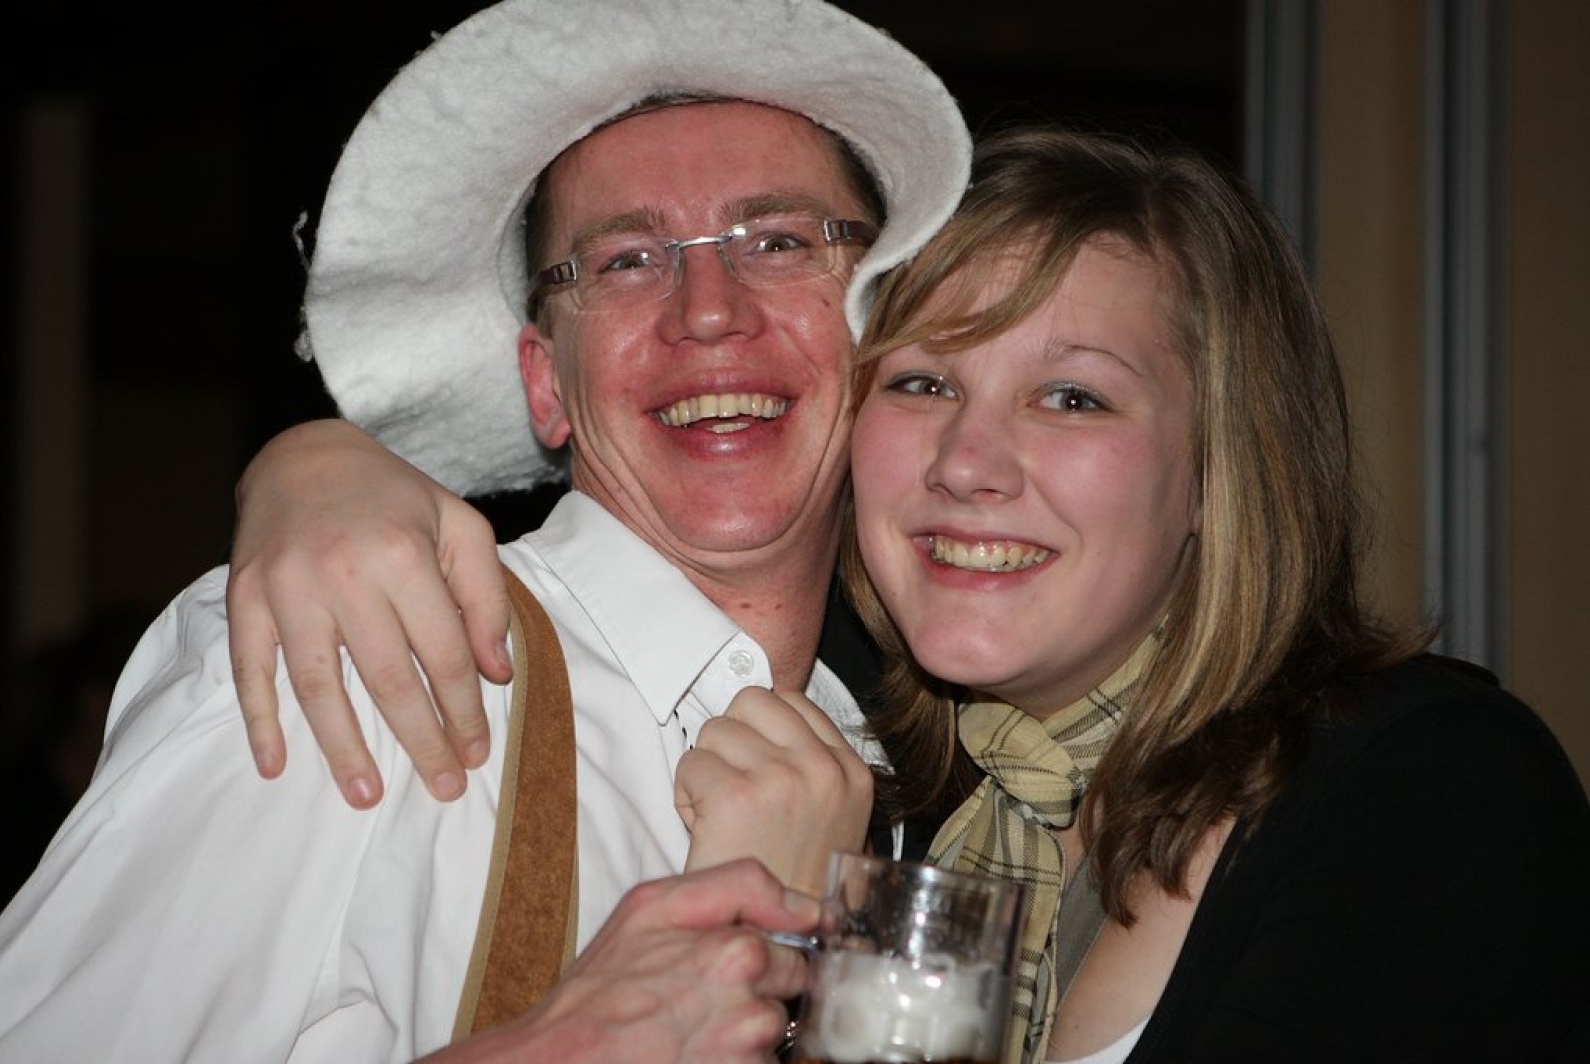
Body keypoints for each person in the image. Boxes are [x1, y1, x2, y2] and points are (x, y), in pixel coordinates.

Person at [233, 127, 1590, 1064]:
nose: (967, 464)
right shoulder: (883, 782)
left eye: (1073, 397)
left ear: (1215, 471)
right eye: (926, 381)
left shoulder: (1420, 788)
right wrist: (322, 466)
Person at [0, 0, 973, 1060]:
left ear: (879, 331)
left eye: (778, 242)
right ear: (545, 384)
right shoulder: (348, 655)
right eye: (627, 260)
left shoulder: (917, 765)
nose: (707, 308)